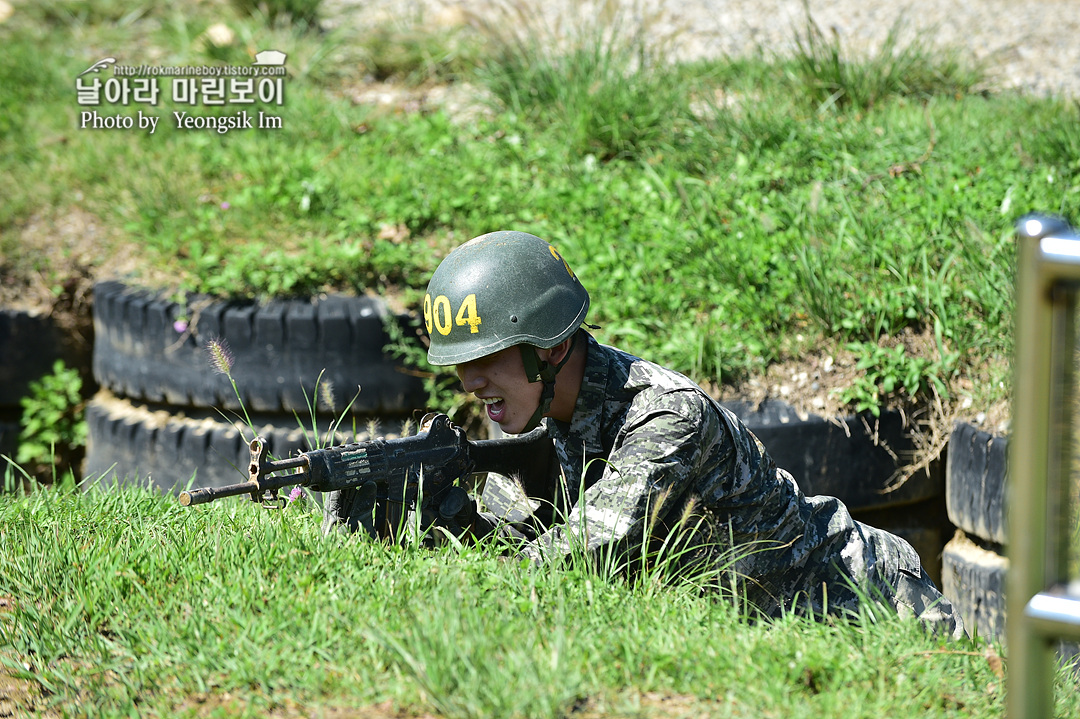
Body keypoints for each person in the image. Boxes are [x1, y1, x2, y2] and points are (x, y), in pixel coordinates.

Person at [330, 229, 965, 639]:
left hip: (866, 616)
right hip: (753, 640)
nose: (469, 384)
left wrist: (438, 566)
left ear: (549, 348)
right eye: (461, 364)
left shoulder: (665, 419)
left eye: (486, 359)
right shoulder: (535, 417)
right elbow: (507, 542)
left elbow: (565, 563)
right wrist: (410, 509)